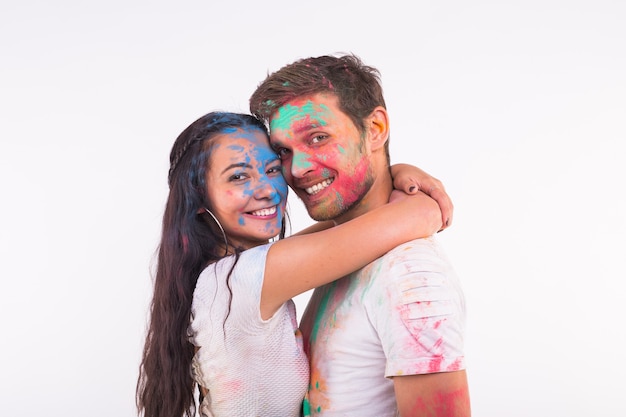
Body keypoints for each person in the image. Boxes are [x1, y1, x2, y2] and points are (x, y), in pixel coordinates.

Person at [136, 111, 450, 417]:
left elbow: (353, 224)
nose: (268, 191)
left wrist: (395, 173)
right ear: (199, 201)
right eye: (238, 176)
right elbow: (421, 214)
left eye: (273, 170)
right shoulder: (241, 280)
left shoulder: (226, 276)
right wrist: (398, 178)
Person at [250, 53, 470, 416]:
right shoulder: (342, 251)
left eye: (318, 138)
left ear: (376, 130)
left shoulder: (412, 279)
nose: (299, 168)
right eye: (284, 151)